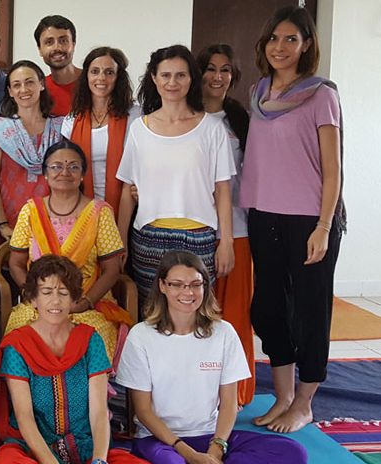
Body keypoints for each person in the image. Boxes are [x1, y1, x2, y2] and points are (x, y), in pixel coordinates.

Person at [116, 251, 307, 464]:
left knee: (293, 454)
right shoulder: (141, 336)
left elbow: (229, 403)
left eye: (195, 284)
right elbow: (143, 411)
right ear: (162, 286)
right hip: (160, 441)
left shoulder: (224, 332)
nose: (188, 292)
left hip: (211, 437)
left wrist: (215, 451)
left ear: (205, 287)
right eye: (177, 284)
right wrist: (188, 454)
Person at [242, 6, 344, 433]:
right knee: (267, 309)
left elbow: (333, 169)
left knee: (309, 311)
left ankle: (304, 402)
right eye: (274, 38)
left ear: (306, 45)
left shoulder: (321, 95)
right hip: (263, 214)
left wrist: (324, 226)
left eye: (290, 39)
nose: (280, 47)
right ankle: (283, 396)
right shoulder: (259, 92)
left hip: (309, 220)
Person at [0, 255, 156, 464]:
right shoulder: (17, 345)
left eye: (63, 292)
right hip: (35, 449)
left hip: (85, 445)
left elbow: (99, 412)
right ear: (33, 299)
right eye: (46, 292)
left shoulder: (90, 339)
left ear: (74, 299)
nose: (55, 301)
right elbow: (24, 417)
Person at [114, 45, 235, 302]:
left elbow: (223, 190)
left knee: (196, 312)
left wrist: (227, 242)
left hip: (199, 237)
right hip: (148, 238)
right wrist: (120, 241)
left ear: (191, 79)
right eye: (166, 75)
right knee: (152, 313)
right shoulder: (139, 129)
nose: (172, 82)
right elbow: (127, 190)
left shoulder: (212, 129)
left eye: (181, 75)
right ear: (154, 78)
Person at [3, 142, 130, 360]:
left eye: (73, 167)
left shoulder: (100, 212)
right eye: (56, 166)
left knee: (94, 338)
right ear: (45, 173)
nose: (64, 172)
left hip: (86, 303)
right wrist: (35, 296)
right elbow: (16, 263)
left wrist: (85, 302)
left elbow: (112, 270)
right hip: (40, 304)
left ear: (82, 175)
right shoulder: (31, 211)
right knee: (20, 334)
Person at [198, 43, 256, 407]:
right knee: (198, 313)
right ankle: (199, 391)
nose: (217, 77)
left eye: (225, 70)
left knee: (233, 315)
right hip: (194, 230)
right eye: (210, 68)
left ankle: (236, 392)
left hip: (235, 230)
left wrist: (230, 238)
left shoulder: (241, 120)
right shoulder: (185, 116)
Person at [0, 60, 65, 241]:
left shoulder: (61, 128)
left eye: (29, 82)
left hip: (54, 220)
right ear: (10, 92)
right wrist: (2, 224)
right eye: (16, 85)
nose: (24, 89)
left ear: (41, 84)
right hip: (9, 220)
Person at [62, 47, 140, 214]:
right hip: (81, 209)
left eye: (109, 72)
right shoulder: (71, 120)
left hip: (126, 207)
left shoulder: (135, 117)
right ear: (86, 76)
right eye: (95, 71)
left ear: (119, 77)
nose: (101, 78)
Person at [35, 15, 80, 117]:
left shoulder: (94, 83)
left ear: (73, 45)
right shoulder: (38, 90)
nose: (57, 47)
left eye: (63, 41)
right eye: (49, 42)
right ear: (40, 49)